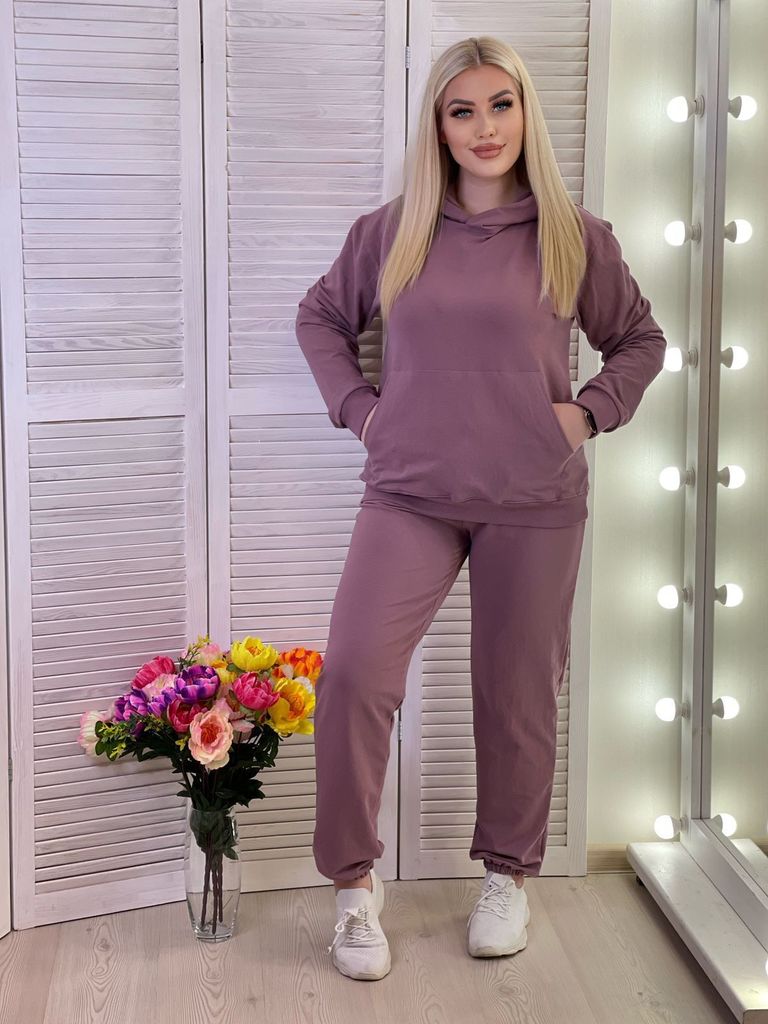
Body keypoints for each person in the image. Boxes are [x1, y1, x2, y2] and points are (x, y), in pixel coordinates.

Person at [294, 35, 667, 981]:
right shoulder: (393, 232)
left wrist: (585, 414)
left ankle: (507, 876)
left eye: (501, 104)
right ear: (439, 126)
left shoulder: (575, 235)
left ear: (526, 111)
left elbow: (639, 340)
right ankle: (353, 889)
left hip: (533, 498)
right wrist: (362, 412)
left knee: (517, 696)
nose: (485, 127)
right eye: (463, 110)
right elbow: (321, 318)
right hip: (410, 491)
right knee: (354, 677)